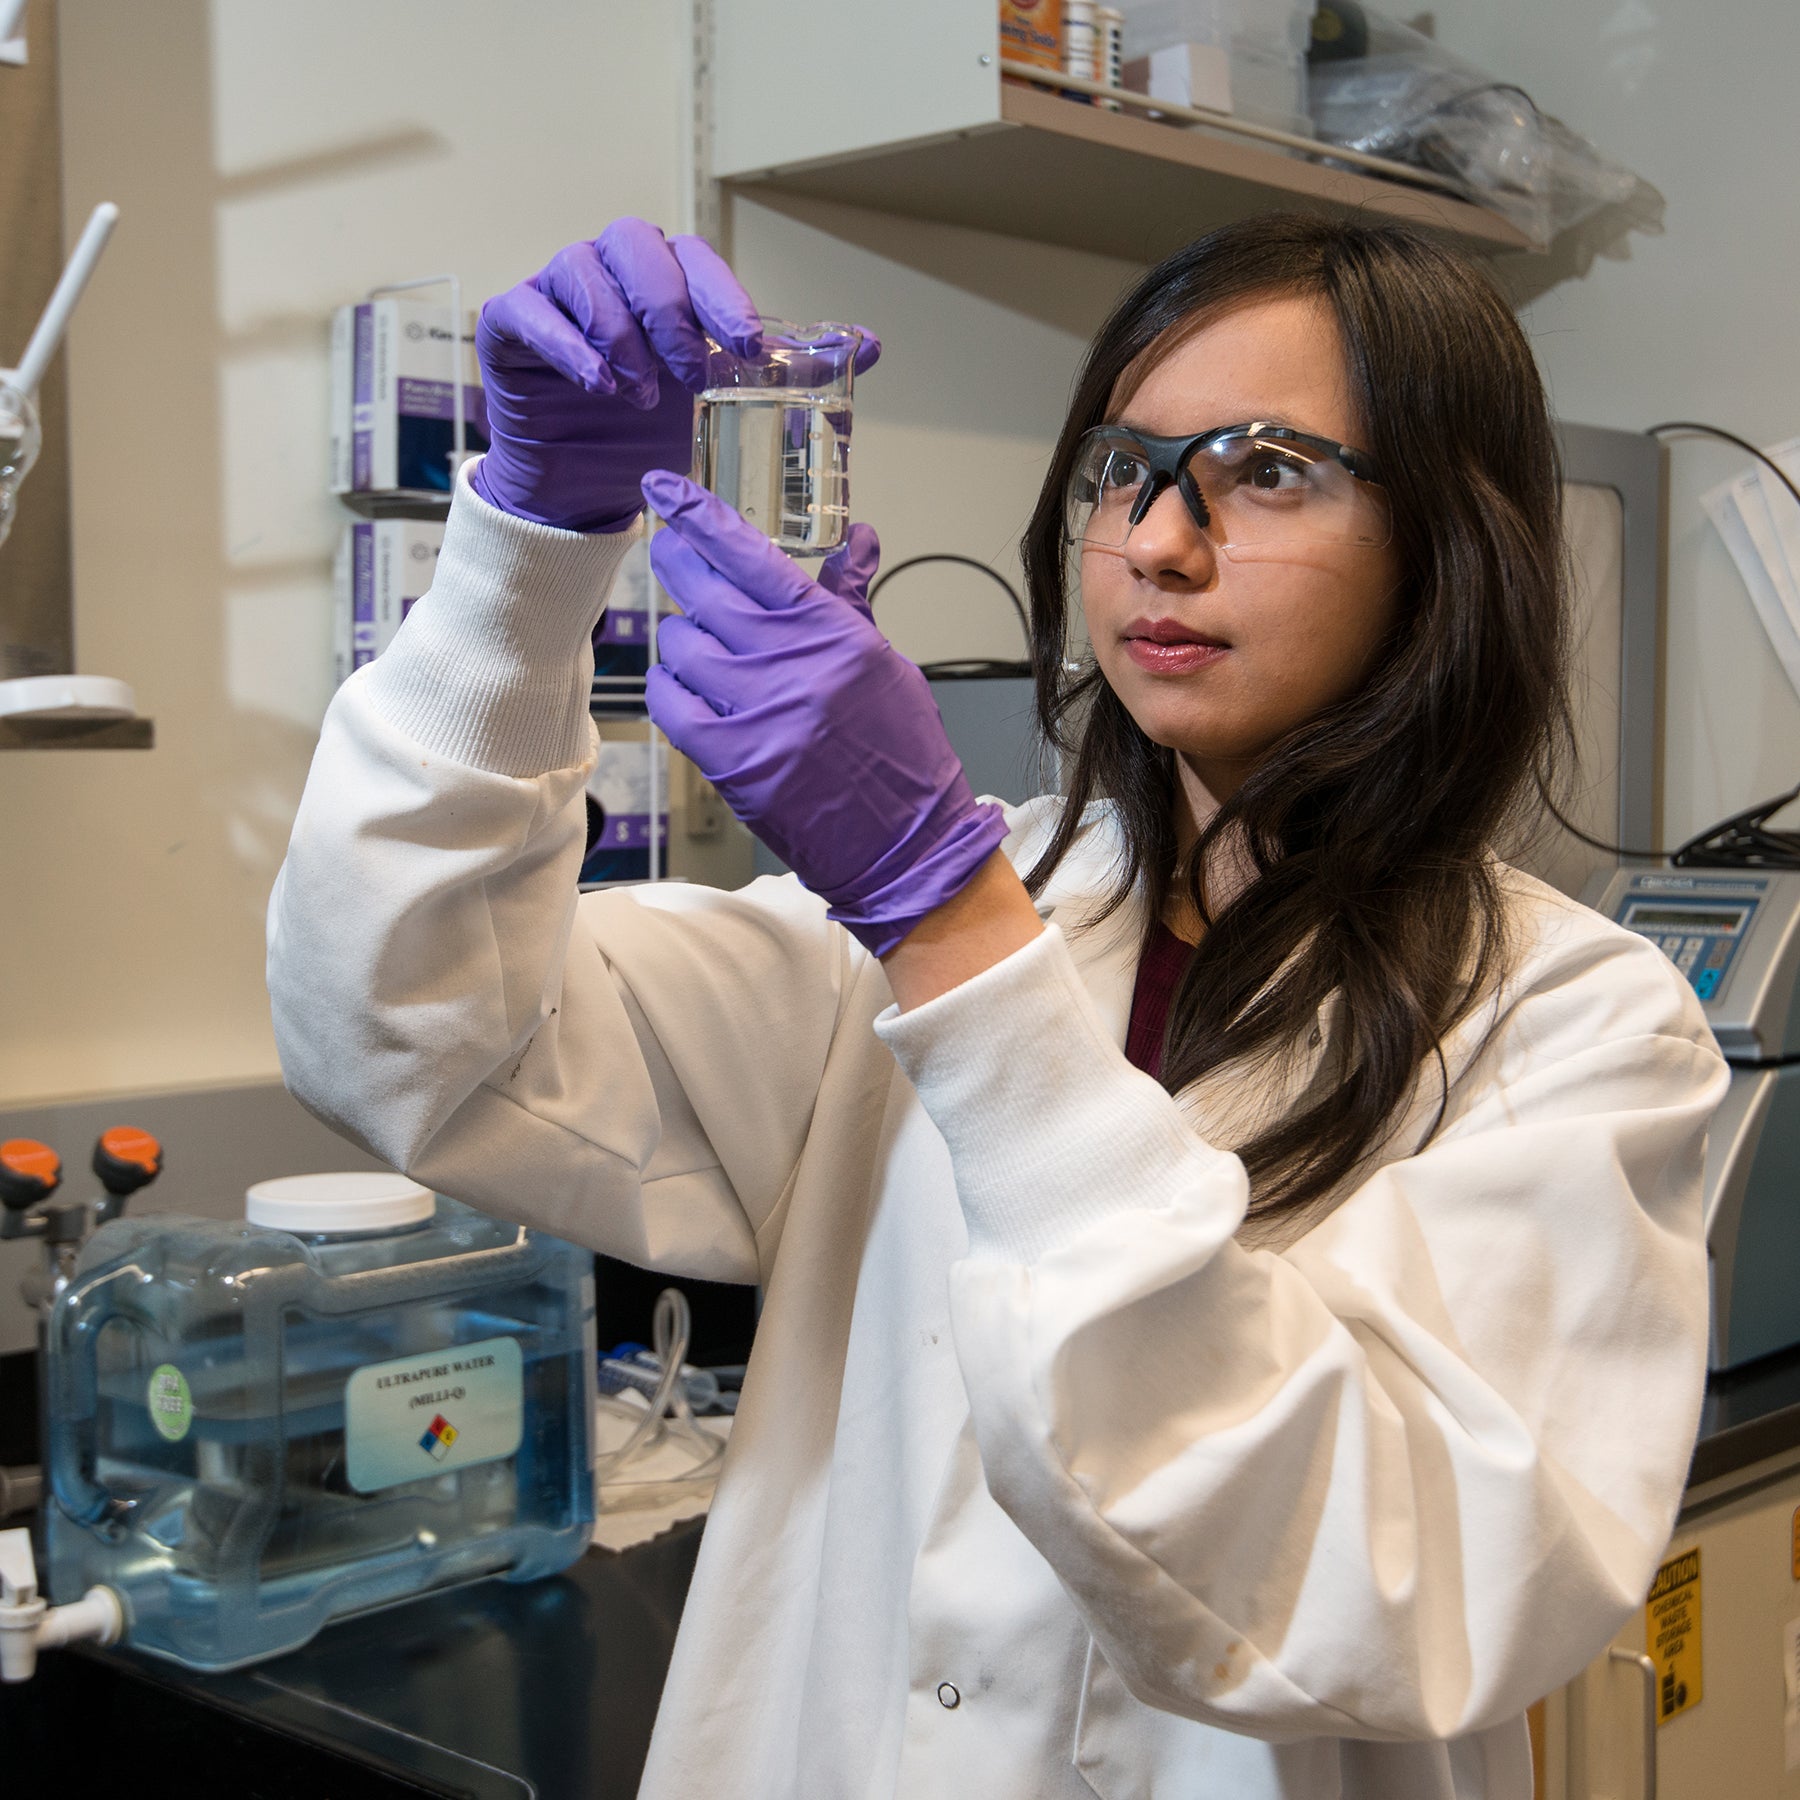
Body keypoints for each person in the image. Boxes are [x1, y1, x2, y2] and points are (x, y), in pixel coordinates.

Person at [269, 213, 1727, 1799]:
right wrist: (530, 555)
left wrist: (947, 920)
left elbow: (1392, 1601)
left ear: (1450, 541)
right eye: (1126, 466)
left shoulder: (1578, 1026)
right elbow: (408, 1033)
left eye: (1268, 468)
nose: (1161, 542)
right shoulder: (890, 939)